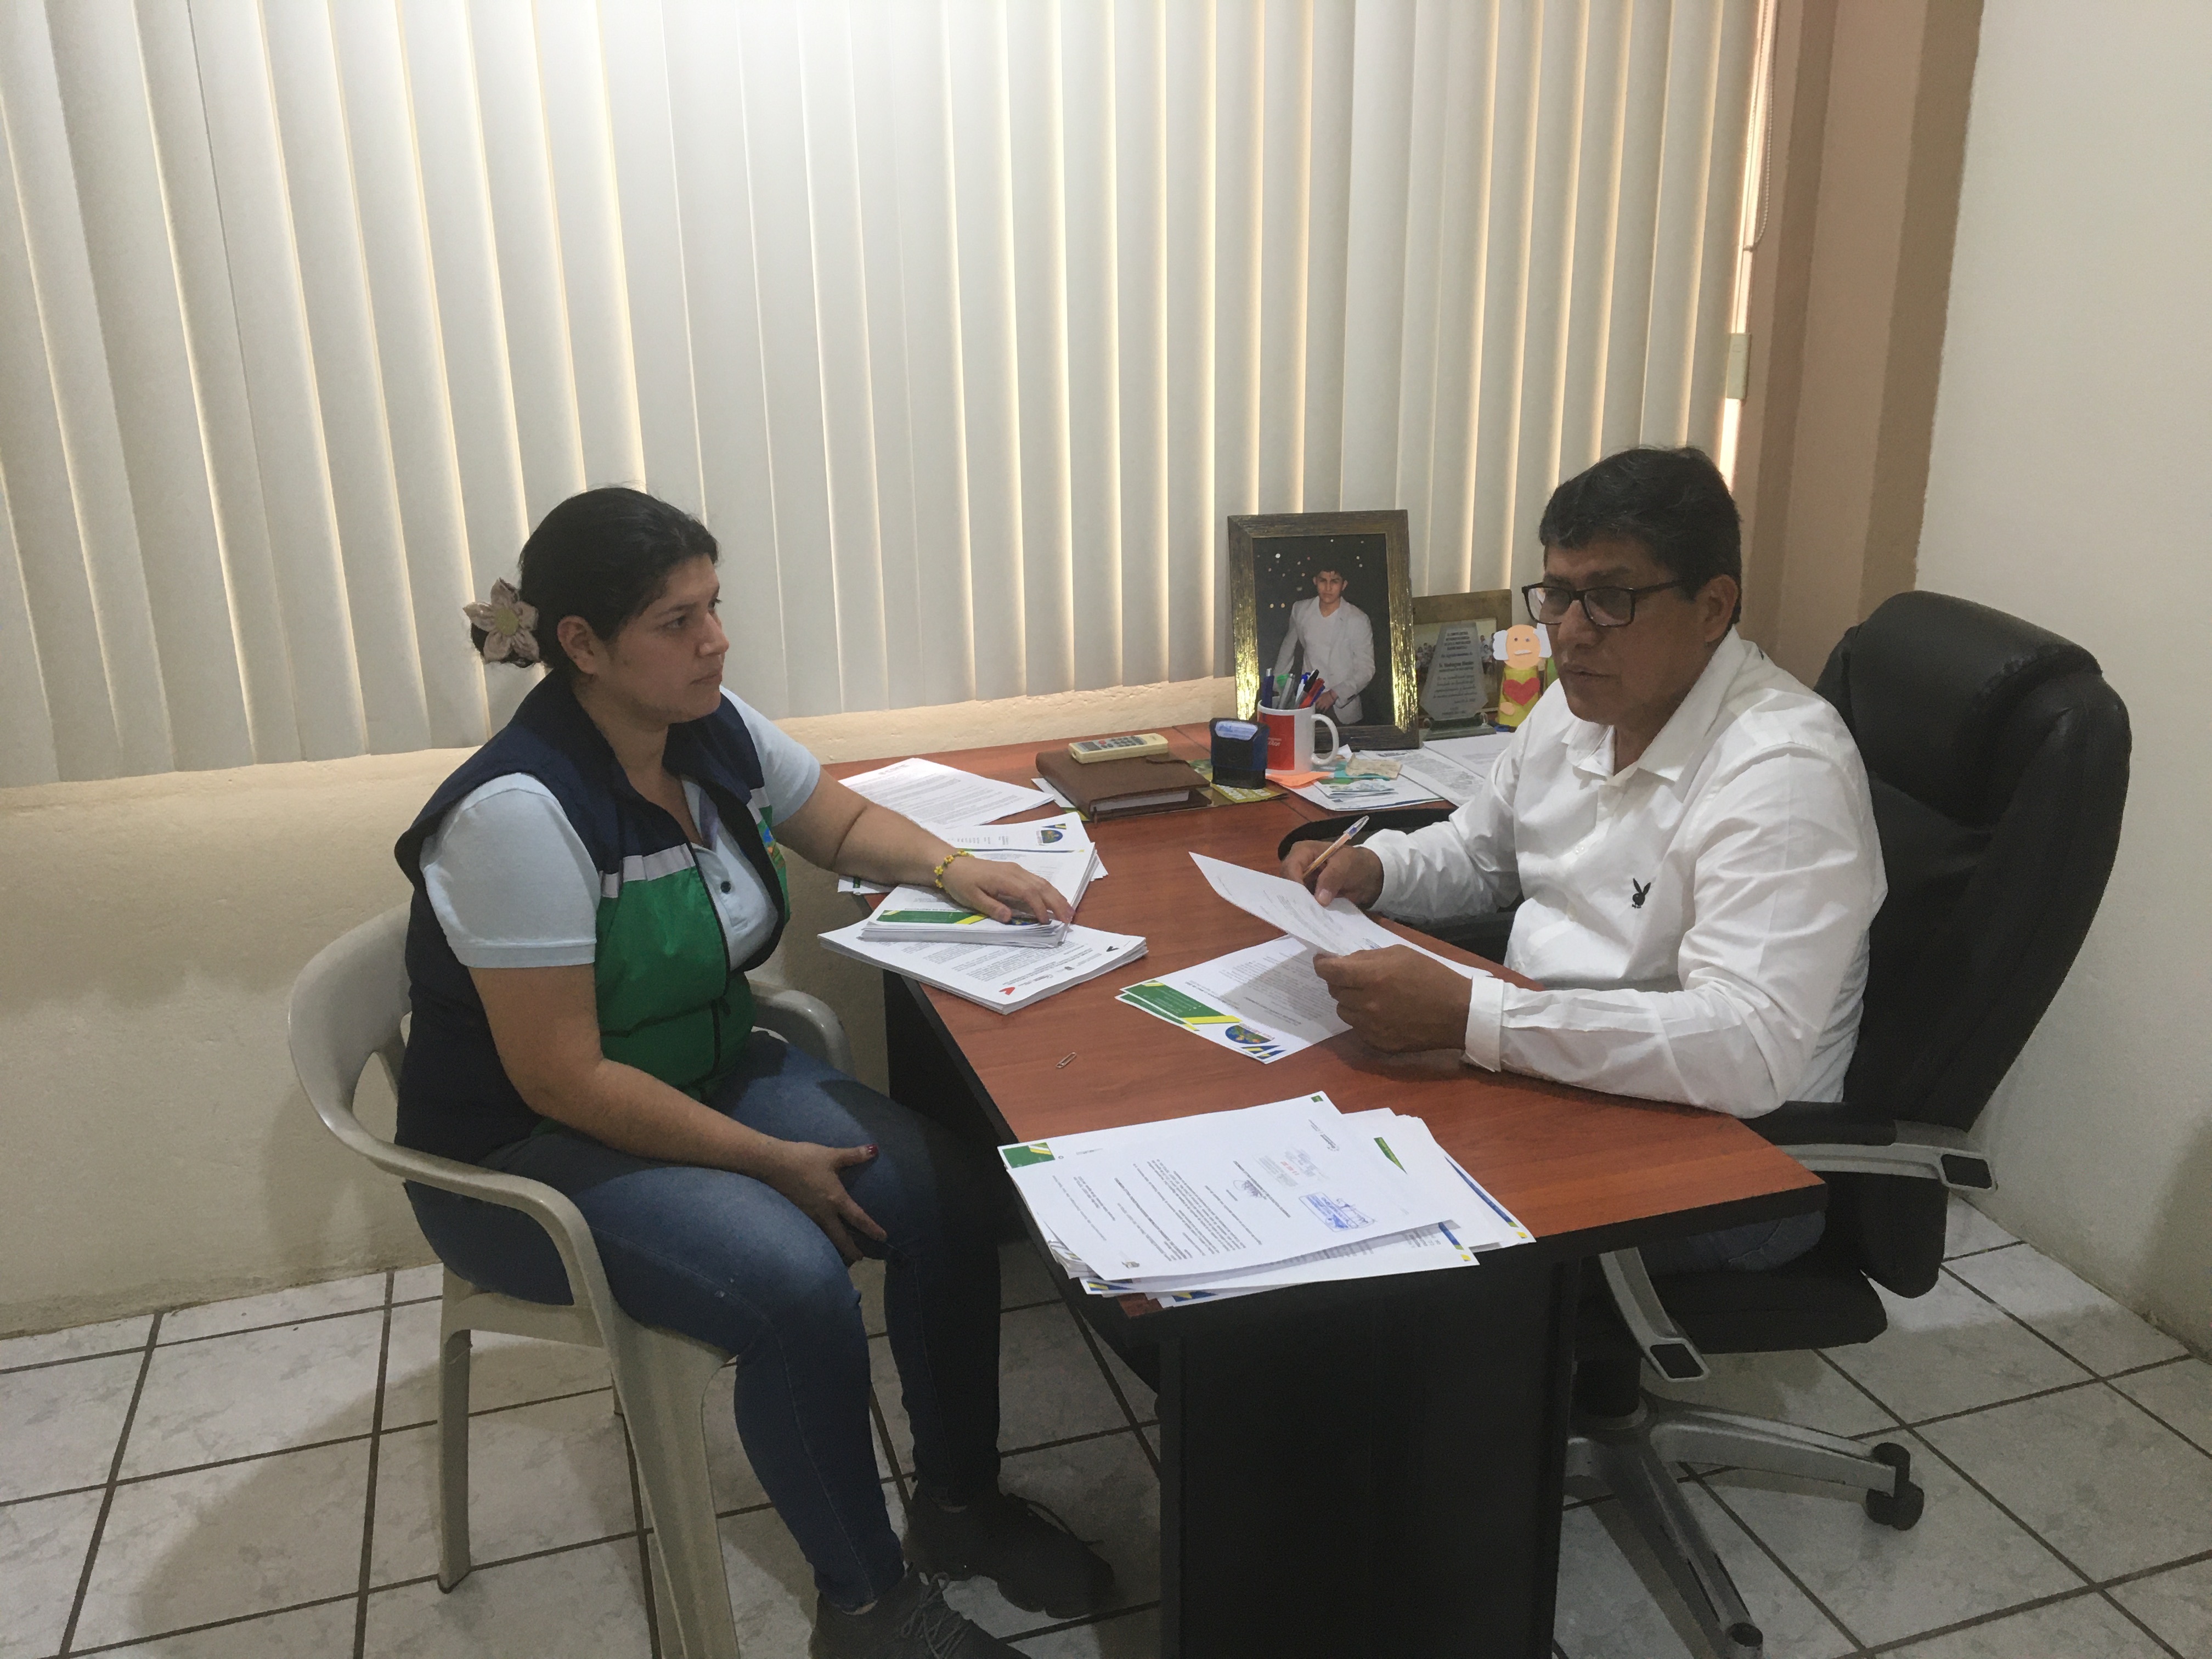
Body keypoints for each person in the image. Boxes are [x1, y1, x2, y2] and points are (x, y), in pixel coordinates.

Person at [394, 488, 1112, 1659]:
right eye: (677, 621)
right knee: (793, 1282)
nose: (716, 641)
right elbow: (563, 1079)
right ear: (581, 645)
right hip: (525, 1156)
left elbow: (836, 824)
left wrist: (951, 867)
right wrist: (768, 1160)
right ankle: (868, 1608)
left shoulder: (706, 728)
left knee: (943, 1189)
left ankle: (959, 1504)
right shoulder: (517, 813)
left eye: (714, 606)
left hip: (697, 1074)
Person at [1281, 447, 1884, 1274]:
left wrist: (1475, 1017)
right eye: (1559, 595)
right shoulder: (1578, 703)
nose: (1569, 632)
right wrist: (1377, 869)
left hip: (1725, 1153)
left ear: (1713, 607)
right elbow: (1481, 851)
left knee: (1372, 1253)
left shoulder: (1783, 770)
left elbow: (1748, 1049)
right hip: (1548, 1067)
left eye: (1609, 599)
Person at [1271, 565, 1375, 722]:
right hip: (1307, 703)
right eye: (1323, 581)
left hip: (1343, 708)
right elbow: (1288, 649)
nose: (1328, 588)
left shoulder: (1358, 619)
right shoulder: (1301, 610)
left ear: (1344, 585)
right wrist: (1279, 687)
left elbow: (1366, 669)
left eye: (1334, 582)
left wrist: (1334, 694)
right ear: (1315, 581)